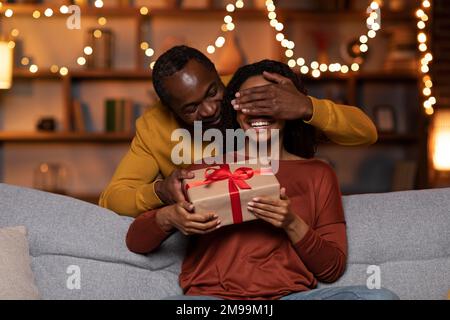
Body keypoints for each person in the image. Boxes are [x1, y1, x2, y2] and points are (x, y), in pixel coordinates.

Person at [125, 60, 398, 300]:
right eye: (249, 101)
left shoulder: (318, 173)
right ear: (234, 109)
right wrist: (168, 217)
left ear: (290, 109)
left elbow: (332, 268)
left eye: (270, 101)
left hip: (290, 297)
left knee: (380, 298)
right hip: (213, 302)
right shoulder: (205, 169)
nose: (259, 111)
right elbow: (136, 242)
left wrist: (291, 223)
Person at [99, 46, 378, 217]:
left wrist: (307, 106)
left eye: (213, 92)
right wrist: (161, 191)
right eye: (191, 108)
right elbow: (112, 199)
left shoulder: (250, 95)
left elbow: (366, 133)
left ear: (219, 77)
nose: (209, 110)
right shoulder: (154, 126)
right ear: (170, 110)